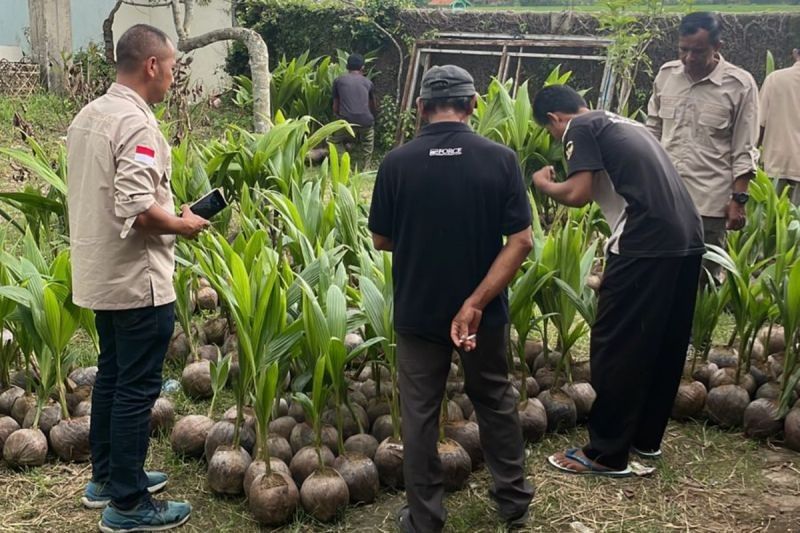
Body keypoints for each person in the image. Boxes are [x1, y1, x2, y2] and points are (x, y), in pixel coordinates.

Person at [368, 65, 535, 532]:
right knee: (495, 398)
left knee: (419, 414)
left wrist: (426, 240)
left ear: (420, 108)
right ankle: (514, 501)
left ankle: (425, 519)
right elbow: (520, 241)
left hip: (419, 309)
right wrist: (476, 302)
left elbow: (381, 239)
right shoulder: (500, 159)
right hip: (483, 315)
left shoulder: (396, 163)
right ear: (473, 104)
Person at [67, 24, 208, 532]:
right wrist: (184, 224)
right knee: (136, 389)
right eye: (171, 66)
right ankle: (128, 504)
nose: (172, 76)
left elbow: (112, 195)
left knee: (113, 375)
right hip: (138, 280)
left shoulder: (90, 116)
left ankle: (107, 477)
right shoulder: (136, 123)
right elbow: (137, 208)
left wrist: (172, 210)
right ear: (152, 65)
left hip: (101, 274)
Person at [531, 85, 705, 476]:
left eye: (550, 132)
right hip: (689, 238)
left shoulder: (579, 126)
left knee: (617, 343)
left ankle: (605, 453)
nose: (557, 139)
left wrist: (542, 184)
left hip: (644, 239)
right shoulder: (627, 123)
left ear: (555, 119)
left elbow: (577, 193)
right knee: (662, 341)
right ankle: (645, 439)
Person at [647, 12, 759, 280]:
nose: (688, 58)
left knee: (702, 280)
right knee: (661, 275)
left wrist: (739, 200)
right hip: (665, 198)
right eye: (683, 50)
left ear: (717, 47)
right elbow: (652, 132)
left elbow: (745, 148)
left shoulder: (739, 85)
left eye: (698, 51)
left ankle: (698, 323)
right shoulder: (667, 75)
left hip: (709, 203)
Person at [759, 47, 800, 205]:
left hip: (777, 163)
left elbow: (759, 123)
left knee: (773, 221)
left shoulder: (775, 79)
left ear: (795, 52)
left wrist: (752, 158)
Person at [333, 53, 377, 167]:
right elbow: (373, 106)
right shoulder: (368, 82)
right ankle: (366, 167)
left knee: (334, 141)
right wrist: (372, 118)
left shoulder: (338, 81)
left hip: (346, 120)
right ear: (363, 67)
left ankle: (345, 165)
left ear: (347, 66)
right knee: (367, 143)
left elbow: (335, 106)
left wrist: (340, 118)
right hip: (366, 120)